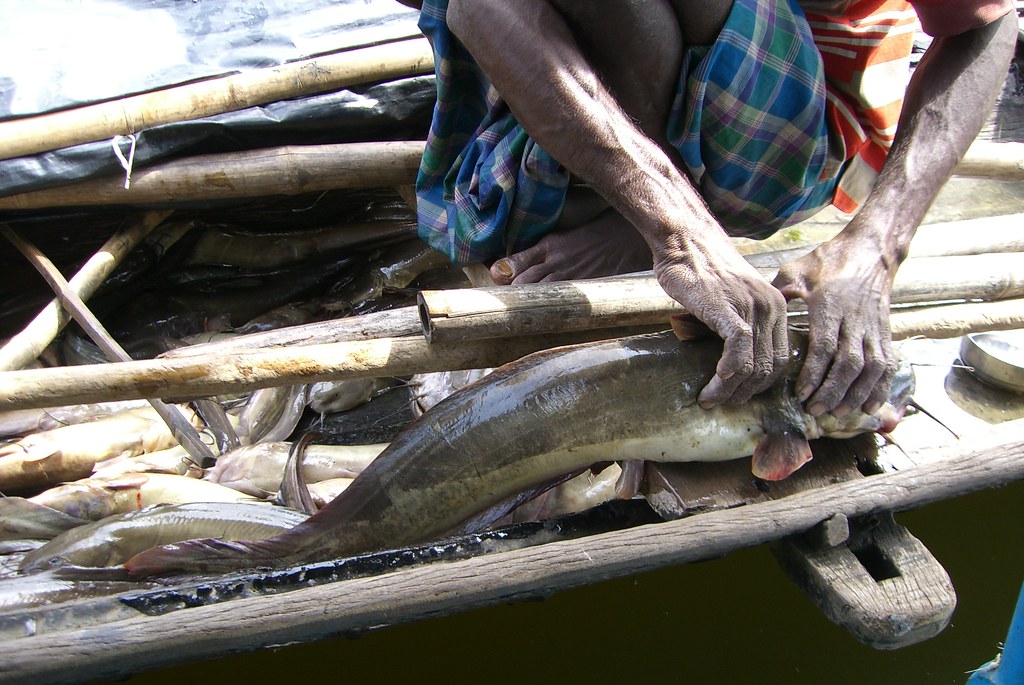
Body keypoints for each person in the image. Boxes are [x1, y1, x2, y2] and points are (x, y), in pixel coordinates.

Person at [399, 0, 1017, 416]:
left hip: (795, 135)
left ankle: (662, 206)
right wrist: (678, 230)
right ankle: (651, 201)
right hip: (624, 92)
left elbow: (988, 25)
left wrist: (875, 248)